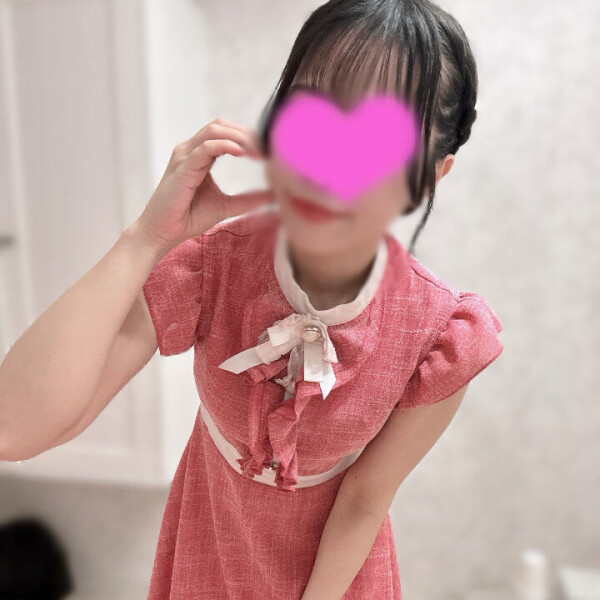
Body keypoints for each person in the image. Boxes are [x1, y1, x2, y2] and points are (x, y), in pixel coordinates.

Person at [0, 0, 504, 598]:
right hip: (206, 561)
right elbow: (14, 429)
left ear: (431, 174)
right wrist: (144, 240)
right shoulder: (213, 265)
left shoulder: (442, 333)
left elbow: (365, 502)